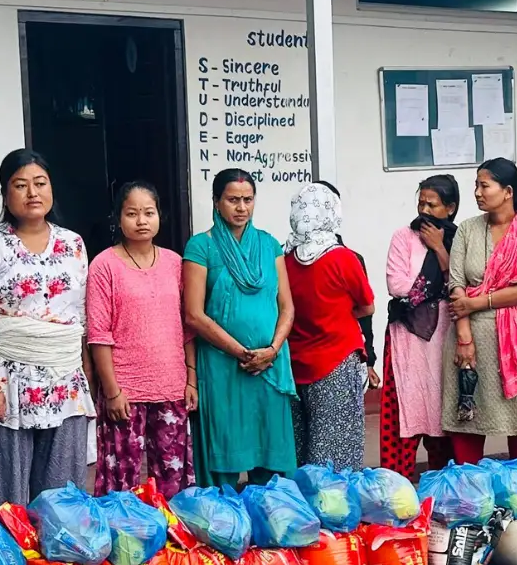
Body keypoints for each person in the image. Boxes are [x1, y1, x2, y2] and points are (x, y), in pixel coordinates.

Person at [0, 149, 94, 509]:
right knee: (6, 488)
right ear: (5, 194)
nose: (32, 193)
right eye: (20, 185)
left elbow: (81, 317)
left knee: (62, 489)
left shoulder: (72, 243)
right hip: (10, 379)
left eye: (40, 183)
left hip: (65, 378)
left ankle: (57, 544)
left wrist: (87, 375)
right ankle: (8, 544)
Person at [183, 168, 298, 486]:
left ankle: (272, 512)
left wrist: (271, 350)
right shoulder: (201, 247)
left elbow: (286, 306)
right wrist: (243, 353)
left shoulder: (269, 245)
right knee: (224, 455)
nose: (241, 207)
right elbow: (193, 315)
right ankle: (223, 515)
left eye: (248, 200)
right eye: (233, 200)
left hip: (269, 368)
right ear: (216, 202)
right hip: (222, 367)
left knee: (270, 458)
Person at [85, 181, 195, 497]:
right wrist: (111, 391)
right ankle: (123, 529)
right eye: (132, 213)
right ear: (118, 219)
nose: (141, 221)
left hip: (171, 386)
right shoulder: (104, 265)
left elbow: (187, 327)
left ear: (160, 216)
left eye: (149, 212)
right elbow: (98, 335)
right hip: (124, 390)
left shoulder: (175, 263)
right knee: (120, 483)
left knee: (173, 482)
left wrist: (191, 379)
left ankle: (171, 530)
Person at [445, 158, 517, 463]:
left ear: (508, 191)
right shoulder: (468, 229)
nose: (477, 193)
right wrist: (464, 338)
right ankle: (468, 485)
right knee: (467, 419)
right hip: (469, 335)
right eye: (476, 186)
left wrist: (475, 303)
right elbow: (456, 283)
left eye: (484, 185)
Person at [283, 182, 377, 471]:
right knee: (337, 451)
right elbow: (367, 306)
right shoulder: (342, 258)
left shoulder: (284, 259)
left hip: (296, 364)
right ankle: (332, 499)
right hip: (336, 362)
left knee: (301, 444)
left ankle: (303, 496)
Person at [380, 175, 459, 478]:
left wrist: (439, 249)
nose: (424, 210)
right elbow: (396, 285)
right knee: (404, 412)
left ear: (450, 208)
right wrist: (439, 288)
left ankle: (442, 488)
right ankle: (396, 486)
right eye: (421, 203)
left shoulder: (460, 239)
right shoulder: (403, 237)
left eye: (432, 204)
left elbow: (463, 285)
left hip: (446, 335)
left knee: (442, 414)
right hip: (408, 336)